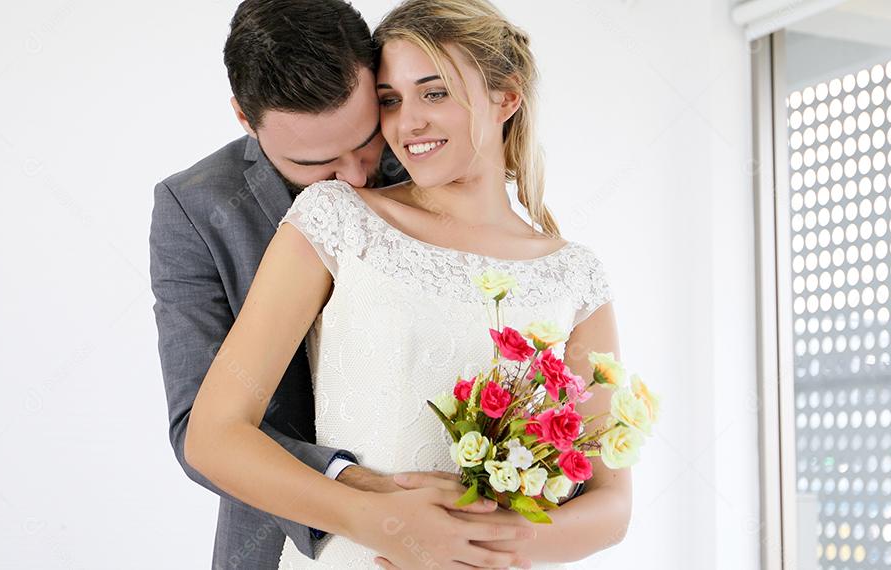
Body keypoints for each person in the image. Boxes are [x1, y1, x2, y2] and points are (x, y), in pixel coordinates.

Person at [183, 0, 633, 568]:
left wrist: (478, 549)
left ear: (507, 97)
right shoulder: (336, 219)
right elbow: (213, 436)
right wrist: (387, 525)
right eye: (391, 101)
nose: (408, 122)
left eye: (435, 92)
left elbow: (611, 503)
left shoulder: (575, 274)